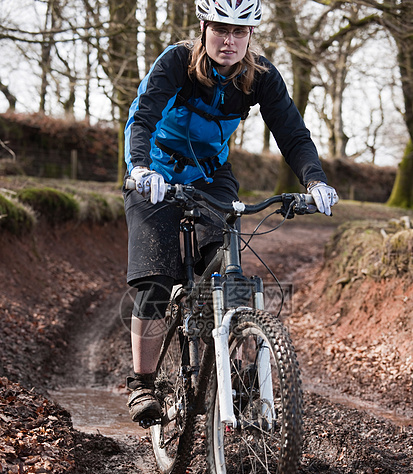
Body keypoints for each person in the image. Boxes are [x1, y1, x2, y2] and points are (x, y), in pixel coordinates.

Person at [123, 0, 338, 428]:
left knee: (229, 268)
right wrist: (141, 169)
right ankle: (142, 384)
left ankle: (239, 371)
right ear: (203, 27)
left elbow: (293, 134)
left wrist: (314, 181)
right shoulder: (176, 63)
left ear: (251, 36)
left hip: (210, 173)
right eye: (221, 29)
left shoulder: (260, 77)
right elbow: (142, 118)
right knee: (154, 278)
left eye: (240, 32)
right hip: (157, 171)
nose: (229, 40)